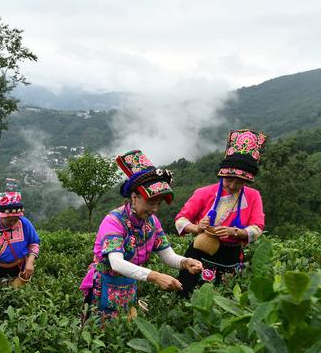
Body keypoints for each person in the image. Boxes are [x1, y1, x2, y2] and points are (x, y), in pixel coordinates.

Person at [79, 150, 203, 321]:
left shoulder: (152, 222)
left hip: (129, 285)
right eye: (150, 203)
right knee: (102, 335)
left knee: (125, 332)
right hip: (104, 286)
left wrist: (184, 262)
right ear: (134, 197)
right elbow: (116, 263)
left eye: (158, 204)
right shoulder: (113, 221)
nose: (154, 209)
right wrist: (155, 276)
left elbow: (167, 255)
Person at [175, 129, 267, 297]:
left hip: (231, 257)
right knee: (187, 296)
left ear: (246, 181)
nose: (232, 186)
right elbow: (180, 220)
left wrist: (236, 232)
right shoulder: (204, 193)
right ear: (221, 175)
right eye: (228, 180)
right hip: (200, 253)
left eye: (238, 183)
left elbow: (257, 228)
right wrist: (196, 228)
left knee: (224, 300)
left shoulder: (253, 196)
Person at [0, 185, 40, 289]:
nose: (12, 223)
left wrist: (30, 262)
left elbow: (34, 244)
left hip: (20, 267)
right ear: (1, 215)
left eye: (15, 219)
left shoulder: (25, 223)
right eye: (8, 220)